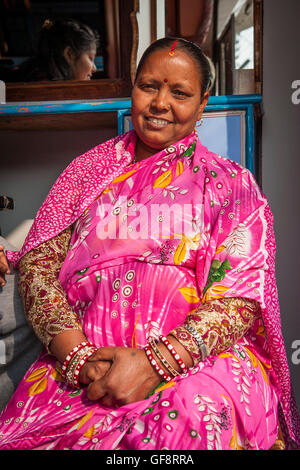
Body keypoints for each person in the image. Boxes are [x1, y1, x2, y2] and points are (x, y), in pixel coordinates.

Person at [0, 37, 299, 451]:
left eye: (180, 93)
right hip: (83, 369)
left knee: (184, 425)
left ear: (202, 103)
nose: (160, 103)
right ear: (134, 88)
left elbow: (238, 301)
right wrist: (77, 358)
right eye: (149, 86)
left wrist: (154, 363)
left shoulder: (232, 186)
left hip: (196, 367)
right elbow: (38, 264)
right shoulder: (87, 173)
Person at [0, 18, 98, 82]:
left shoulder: (35, 75)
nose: (94, 68)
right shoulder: (45, 89)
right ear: (70, 54)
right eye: (90, 58)